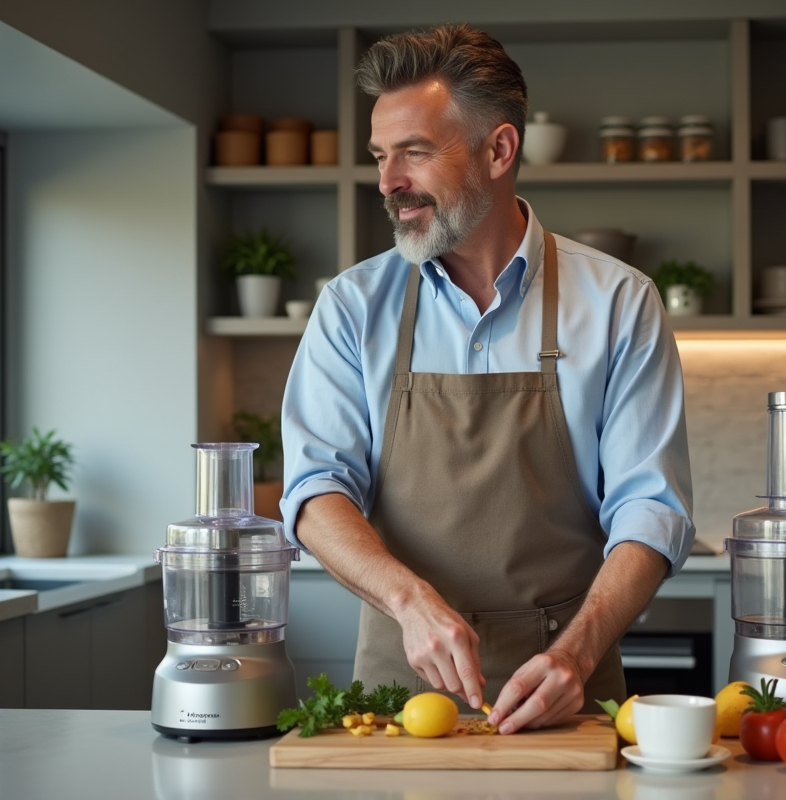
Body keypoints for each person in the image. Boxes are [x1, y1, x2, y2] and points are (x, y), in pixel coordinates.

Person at [280, 23, 695, 735]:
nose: (387, 182)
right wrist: (410, 602)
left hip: (568, 695)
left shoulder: (619, 303)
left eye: (414, 152)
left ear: (499, 150)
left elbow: (651, 509)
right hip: (400, 699)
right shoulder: (352, 307)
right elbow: (316, 492)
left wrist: (576, 653)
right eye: (380, 156)